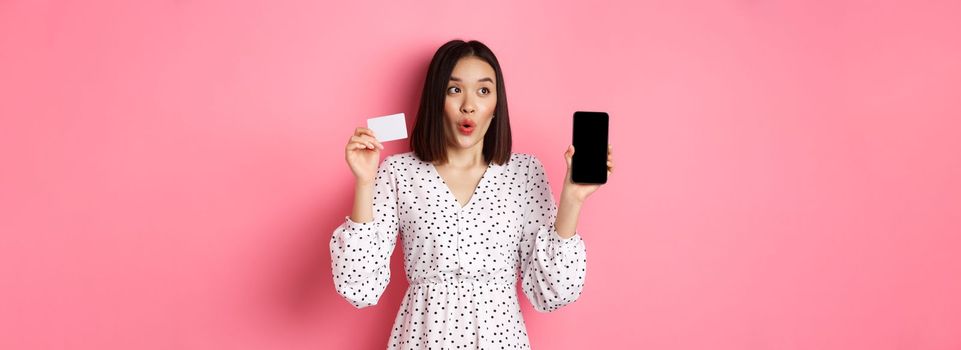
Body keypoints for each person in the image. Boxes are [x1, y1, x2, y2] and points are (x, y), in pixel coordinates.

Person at [330, 39, 614, 349]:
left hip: (500, 339)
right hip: (423, 337)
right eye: (454, 90)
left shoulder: (525, 172)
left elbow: (553, 292)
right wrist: (364, 181)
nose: (469, 105)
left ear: (496, 105)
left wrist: (573, 199)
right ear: (435, 100)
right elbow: (359, 287)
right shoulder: (399, 172)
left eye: (483, 91)